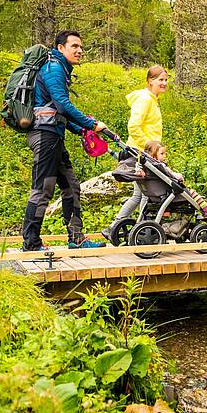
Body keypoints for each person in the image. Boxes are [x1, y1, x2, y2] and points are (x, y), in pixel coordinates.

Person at [22, 30, 109, 251]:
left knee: (71, 186)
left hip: (53, 135)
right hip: (45, 136)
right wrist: (91, 124)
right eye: (74, 46)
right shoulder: (53, 68)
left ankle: (76, 238)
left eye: (81, 47)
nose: (79, 51)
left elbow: (56, 112)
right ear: (61, 48)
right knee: (43, 189)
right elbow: (62, 105)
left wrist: (80, 130)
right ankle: (31, 243)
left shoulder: (60, 68)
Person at [102, 65, 167, 239]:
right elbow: (134, 126)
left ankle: (127, 226)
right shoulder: (145, 99)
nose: (164, 83)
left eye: (166, 80)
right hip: (142, 153)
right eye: (160, 80)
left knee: (141, 194)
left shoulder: (152, 99)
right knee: (145, 193)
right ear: (150, 81)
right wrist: (149, 146)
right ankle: (132, 227)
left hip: (147, 154)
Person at [141, 140, 207, 218]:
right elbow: (171, 175)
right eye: (162, 154)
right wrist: (179, 176)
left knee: (189, 192)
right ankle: (206, 209)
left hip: (155, 195)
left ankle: (205, 206)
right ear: (153, 155)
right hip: (167, 195)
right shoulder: (160, 166)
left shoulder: (147, 167)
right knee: (191, 192)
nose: (165, 156)